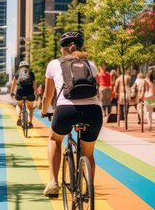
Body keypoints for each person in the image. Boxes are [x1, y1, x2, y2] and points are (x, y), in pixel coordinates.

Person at [40, 32, 102, 197]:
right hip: (93, 112)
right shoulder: (91, 64)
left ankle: (53, 182)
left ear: (62, 49)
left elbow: (47, 95)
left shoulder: (54, 64)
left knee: (54, 139)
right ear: (81, 47)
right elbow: (97, 90)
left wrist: (44, 110)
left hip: (66, 110)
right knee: (88, 153)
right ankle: (88, 189)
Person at [10, 61, 37, 127]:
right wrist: (35, 93)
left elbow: (13, 84)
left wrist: (12, 92)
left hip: (20, 90)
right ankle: (30, 122)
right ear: (28, 66)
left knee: (18, 105)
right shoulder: (31, 73)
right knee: (30, 107)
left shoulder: (17, 72)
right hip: (29, 90)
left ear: (20, 67)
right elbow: (34, 84)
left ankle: (19, 118)